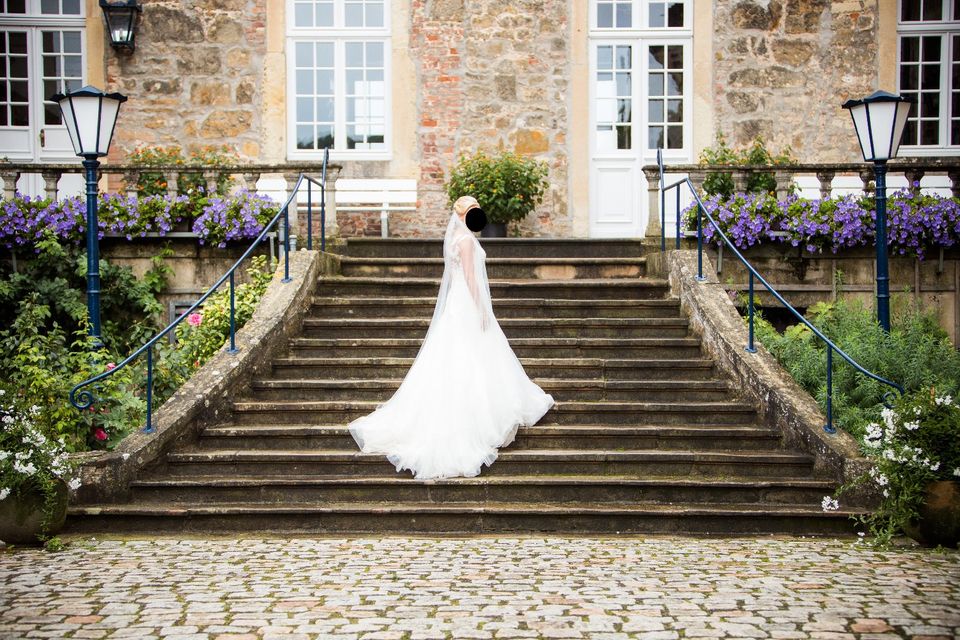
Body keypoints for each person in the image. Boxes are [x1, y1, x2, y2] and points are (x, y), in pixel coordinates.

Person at [348, 195, 555, 479]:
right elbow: (471, 277)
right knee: (473, 355)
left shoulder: (457, 239)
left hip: (456, 304)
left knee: (456, 356)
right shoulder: (467, 241)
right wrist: (482, 308)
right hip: (467, 303)